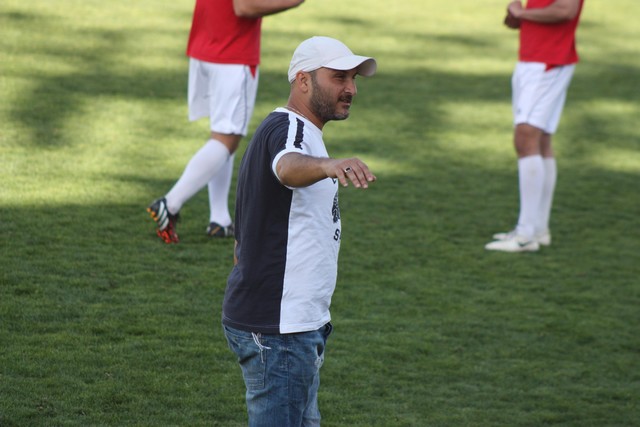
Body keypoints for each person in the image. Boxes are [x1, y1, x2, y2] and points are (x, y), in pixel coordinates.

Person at [221, 36, 377, 426]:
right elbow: (287, 166)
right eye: (339, 77)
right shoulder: (290, 129)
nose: (351, 89)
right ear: (303, 80)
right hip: (280, 330)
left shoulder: (297, 131)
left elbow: (244, 237)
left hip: (290, 324)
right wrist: (328, 166)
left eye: (353, 79)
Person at [147, 0, 306, 244]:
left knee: (222, 133)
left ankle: (219, 220)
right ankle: (170, 203)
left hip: (207, 44)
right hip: (232, 52)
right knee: (227, 139)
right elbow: (244, 7)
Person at [485, 0, 585, 252]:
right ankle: (537, 230)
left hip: (547, 60)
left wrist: (523, 13)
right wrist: (519, 16)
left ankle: (525, 235)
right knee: (541, 140)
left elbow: (565, 10)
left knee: (526, 137)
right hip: (538, 58)